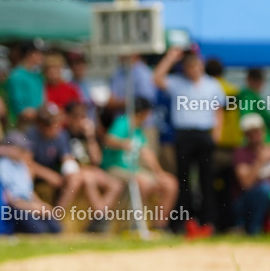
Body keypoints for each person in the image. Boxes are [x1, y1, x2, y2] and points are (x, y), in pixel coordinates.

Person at [153, 47, 225, 230]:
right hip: (184, 135)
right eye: (189, 66)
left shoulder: (213, 85)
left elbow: (219, 111)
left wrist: (216, 134)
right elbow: (156, 78)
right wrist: (171, 57)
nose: (193, 70)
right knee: (183, 180)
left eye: (195, 65)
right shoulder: (178, 83)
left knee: (206, 180)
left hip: (203, 134)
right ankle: (182, 222)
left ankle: (208, 222)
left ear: (201, 66)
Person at [25, 103, 122, 218]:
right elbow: (26, 162)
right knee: (85, 180)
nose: (81, 120)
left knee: (115, 185)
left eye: (83, 116)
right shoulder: (33, 135)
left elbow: (95, 161)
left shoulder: (62, 135)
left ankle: (100, 217)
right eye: (77, 116)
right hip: (47, 174)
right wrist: (49, 174)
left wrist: (90, 136)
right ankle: (56, 216)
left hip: (84, 170)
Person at [100, 98, 178, 231]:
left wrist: (159, 173)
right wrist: (123, 143)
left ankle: (160, 226)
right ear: (145, 113)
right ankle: (135, 224)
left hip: (134, 169)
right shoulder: (123, 122)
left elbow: (147, 154)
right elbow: (108, 140)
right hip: (115, 167)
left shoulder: (139, 129)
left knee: (170, 184)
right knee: (144, 182)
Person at [0, 131, 61, 234]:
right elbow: (9, 199)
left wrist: (41, 205)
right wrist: (32, 207)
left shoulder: (21, 165)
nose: (25, 151)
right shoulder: (1, 166)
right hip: (14, 209)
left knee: (56, 228)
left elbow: (29, 192)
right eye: (21, 148)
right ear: (10, 148)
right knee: (40, 231)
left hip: (27, 205)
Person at [233, 113, 270, 235]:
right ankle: (254, 229)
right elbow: (246, 183)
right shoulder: (241, 153)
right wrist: (260, 161)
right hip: (246, 200)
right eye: (251, 132)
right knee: (264, 190)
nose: (255, 135)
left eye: (257, 131)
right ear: (245, 135)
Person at [6, 41, 44, 122]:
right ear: (29, 53)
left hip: (38, 121)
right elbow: (19, 106)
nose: (41, 56)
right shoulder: (16, 75)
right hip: (24, 122)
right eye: (38, 53)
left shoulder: (38, 75)